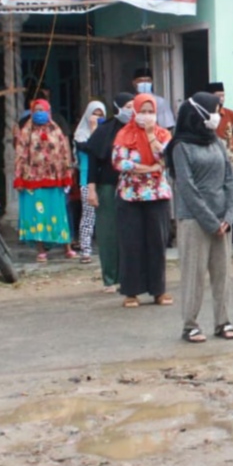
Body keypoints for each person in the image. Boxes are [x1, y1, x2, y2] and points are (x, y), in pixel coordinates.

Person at [170, 93, 233, 343]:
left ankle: (223, 321)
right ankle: (190, 325)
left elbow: (230, 180)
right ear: (199, 114)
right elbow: (187, 188)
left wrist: (229, 216)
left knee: (222, 273)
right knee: (194, 274)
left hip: (222, 220)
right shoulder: (180, 147)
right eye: (214, 110)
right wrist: (210, 221)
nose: (218, 114)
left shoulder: (217, 142)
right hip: (194, 220)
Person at [112, 93, 174, 308]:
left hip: (157, 195)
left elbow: (167, 159)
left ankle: (159, 290)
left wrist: (150, 135)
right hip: (130, 195)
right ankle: (131, 292)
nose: (147, 116)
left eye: (151, 111)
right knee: (131, 243)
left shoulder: (163, 134)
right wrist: (148, 168)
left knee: (157, 243)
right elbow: (119, 162)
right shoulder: (123, 134)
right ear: (135, 111)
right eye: (143, 111)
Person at [14, 99, 76, 262]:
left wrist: (67, 174)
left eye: (43, 110)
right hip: (33, 179)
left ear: (48, 112)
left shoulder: (56, 131)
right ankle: (41, 250)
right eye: (36, 110)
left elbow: (64, 153)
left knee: (58, 213)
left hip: (54, 179)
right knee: (38, 215)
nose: (39, 113)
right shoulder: (26, 132)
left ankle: (66, 247)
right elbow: (20, 155)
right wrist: (19, 177)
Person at [83, 93, 133, 292]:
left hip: (134, 187)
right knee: (109, 233)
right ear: (118, 108)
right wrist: (92, 190)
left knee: (131, 233)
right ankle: (111, 278)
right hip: (108, 186)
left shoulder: (137, 130)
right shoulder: (104, 131)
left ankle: (130, 277)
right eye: (128, 106)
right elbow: (93, 163)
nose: (132, 110)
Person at [73, 100, 106, 264]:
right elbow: (93, 149)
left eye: (101, 115)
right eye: (94, 114)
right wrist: (94, 131)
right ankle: (85, 249)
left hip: (105, 179)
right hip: (87, 180)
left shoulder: (108, 134)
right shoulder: (80, 137)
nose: (97, 118)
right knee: (88, 215)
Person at [206, 82, 233, 175]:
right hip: (209, 165)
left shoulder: (232, 115)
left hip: (228, 163)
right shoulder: (203, 116)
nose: (222, 99)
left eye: (223, 95)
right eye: (218, 96)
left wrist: (229, 148)